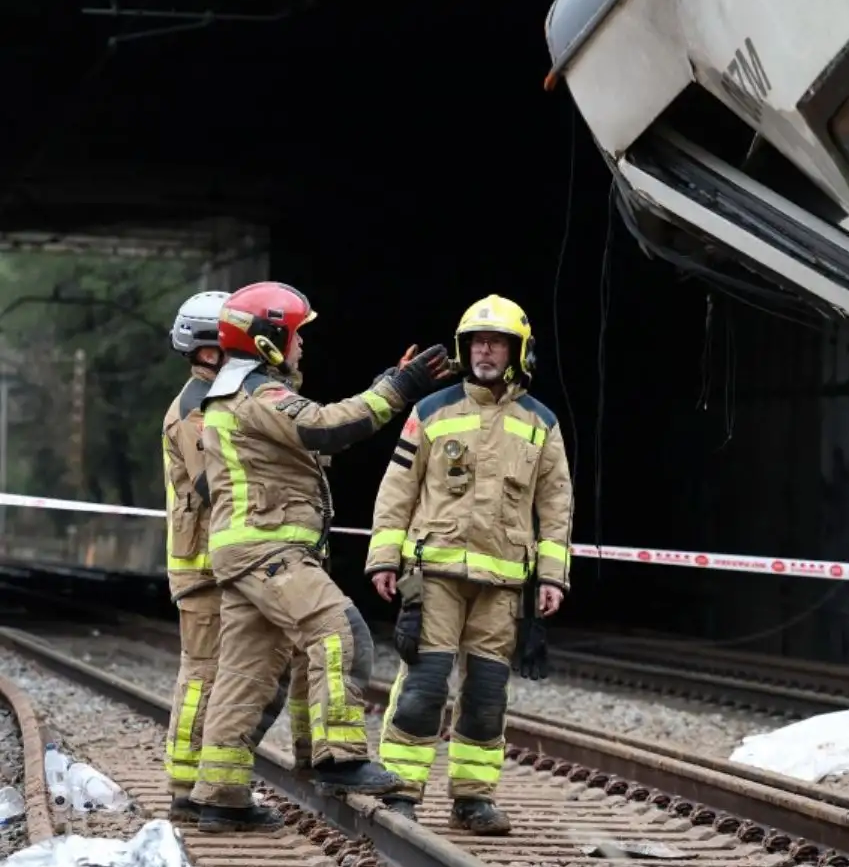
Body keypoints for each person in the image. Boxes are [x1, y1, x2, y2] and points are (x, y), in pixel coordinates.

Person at [188, 280, 452, 832]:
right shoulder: (257, 396)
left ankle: (220, 796)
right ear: (267, 342)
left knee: (245, 674)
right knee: (340, 631)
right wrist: (399, 388)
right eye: (295, 334)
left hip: (244, 551)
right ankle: (340, 757)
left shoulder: (230, 397)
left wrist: (384, 383)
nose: (302, 344)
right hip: (269, 550)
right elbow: (327, 428)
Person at [367, 294, 572, 836]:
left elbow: (556, 504)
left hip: (502, 584)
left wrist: (552, 576)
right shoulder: (431, 412)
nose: (485, 352)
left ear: (517, 353)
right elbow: (397, 489)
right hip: (433, 577)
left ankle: (473, 799)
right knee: (424, 686)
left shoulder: (541, 423)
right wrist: (383, 558)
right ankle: (400, 790)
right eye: (477, 342)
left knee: (485, 694)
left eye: (496, 344)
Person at [160, 290, 312, 819]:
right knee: (204, 673)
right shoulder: (194, 412)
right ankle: (188, 786)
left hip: (225, 560)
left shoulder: (221, 400)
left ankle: (214, 779)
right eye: (228, 344)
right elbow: (215, 486)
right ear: (206, 352)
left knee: (247, 670)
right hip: (204, 567)